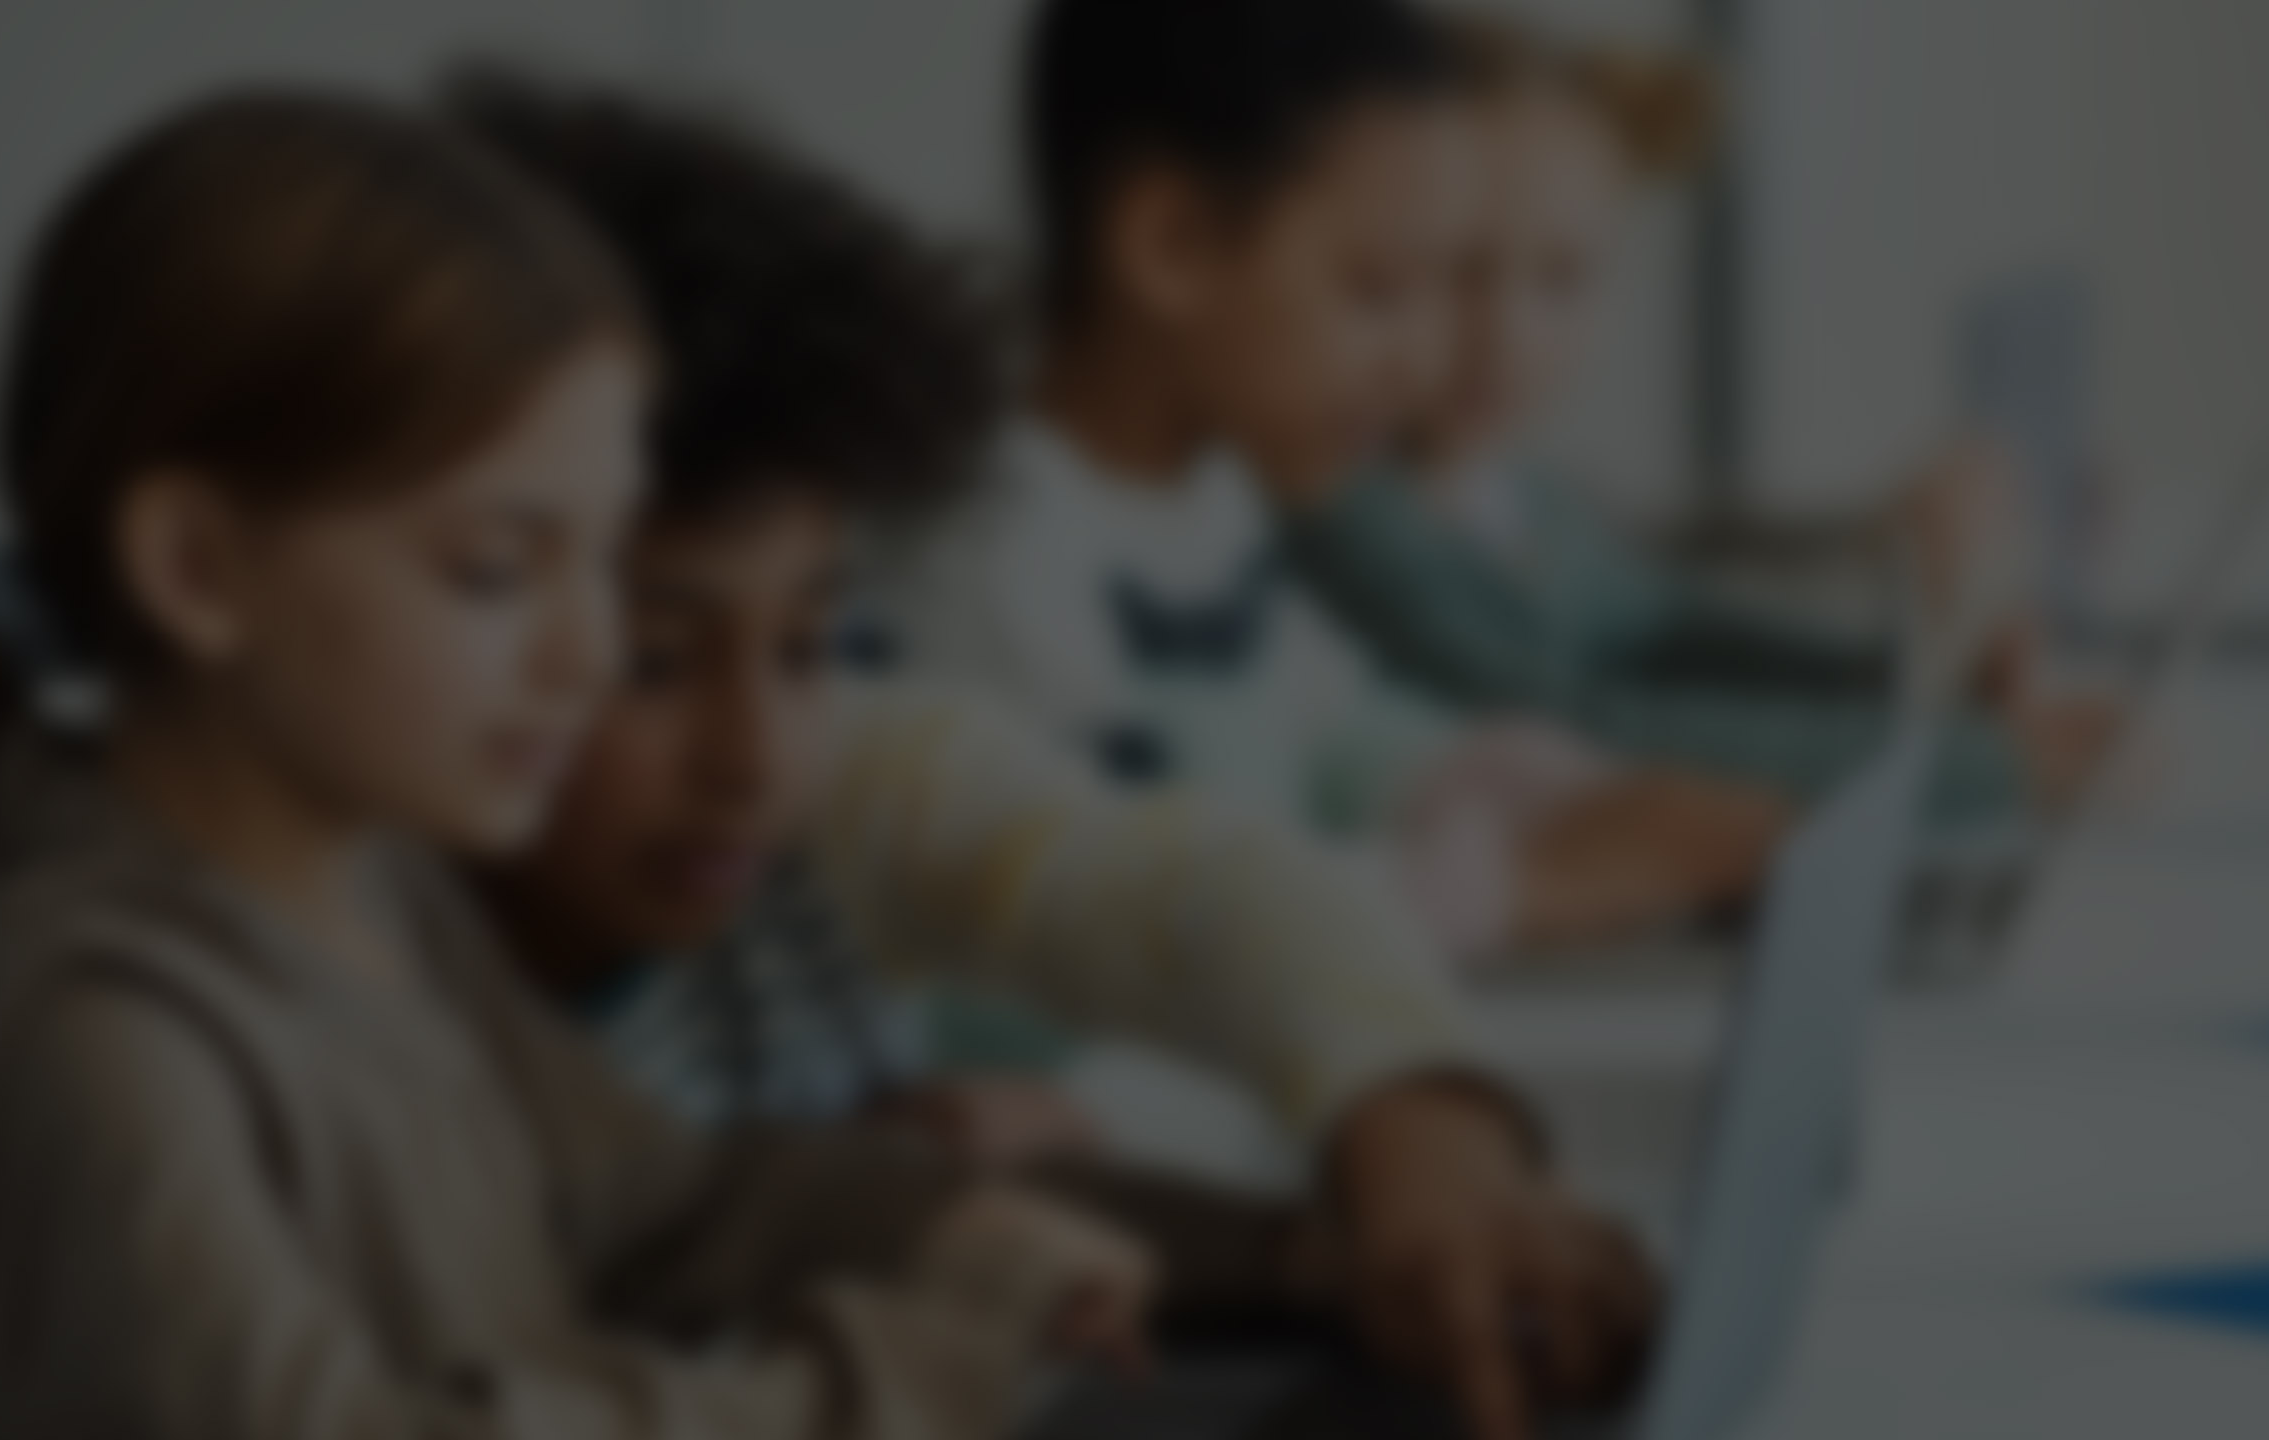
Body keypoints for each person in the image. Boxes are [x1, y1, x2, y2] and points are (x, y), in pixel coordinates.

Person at [0, 88, 1176, 1440]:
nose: (586, 654)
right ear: (199, 569)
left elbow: (651, 1197)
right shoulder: (102, 1027)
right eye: (499, 567)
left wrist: (970, 1225)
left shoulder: (377, 880)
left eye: (602, 563)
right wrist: (907, 1367)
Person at [451, 74, 1656, 1440]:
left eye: (807, 639)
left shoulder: (844, 776)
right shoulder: (377, 979)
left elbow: (1194, 885)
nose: (751, 754)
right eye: (653, 661)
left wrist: (1432, 1152)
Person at [872, 0, 1789, 966]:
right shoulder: (992, 544)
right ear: (1171, 245)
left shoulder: (1209, 497)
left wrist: (1559, 796)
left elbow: (1334, 723)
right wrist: (1512, 885)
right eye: (1377, 289)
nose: (1426, 360)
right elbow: (1132, 910)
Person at [1281, 16, 2117, 819]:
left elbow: (1671, 626)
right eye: (1460, 268)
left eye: (1564, 277)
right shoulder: (1342, 510)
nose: (1507, 335)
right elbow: (1587, 727)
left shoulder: (1521, 494)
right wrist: (1985, 764)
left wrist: (1899, 681)